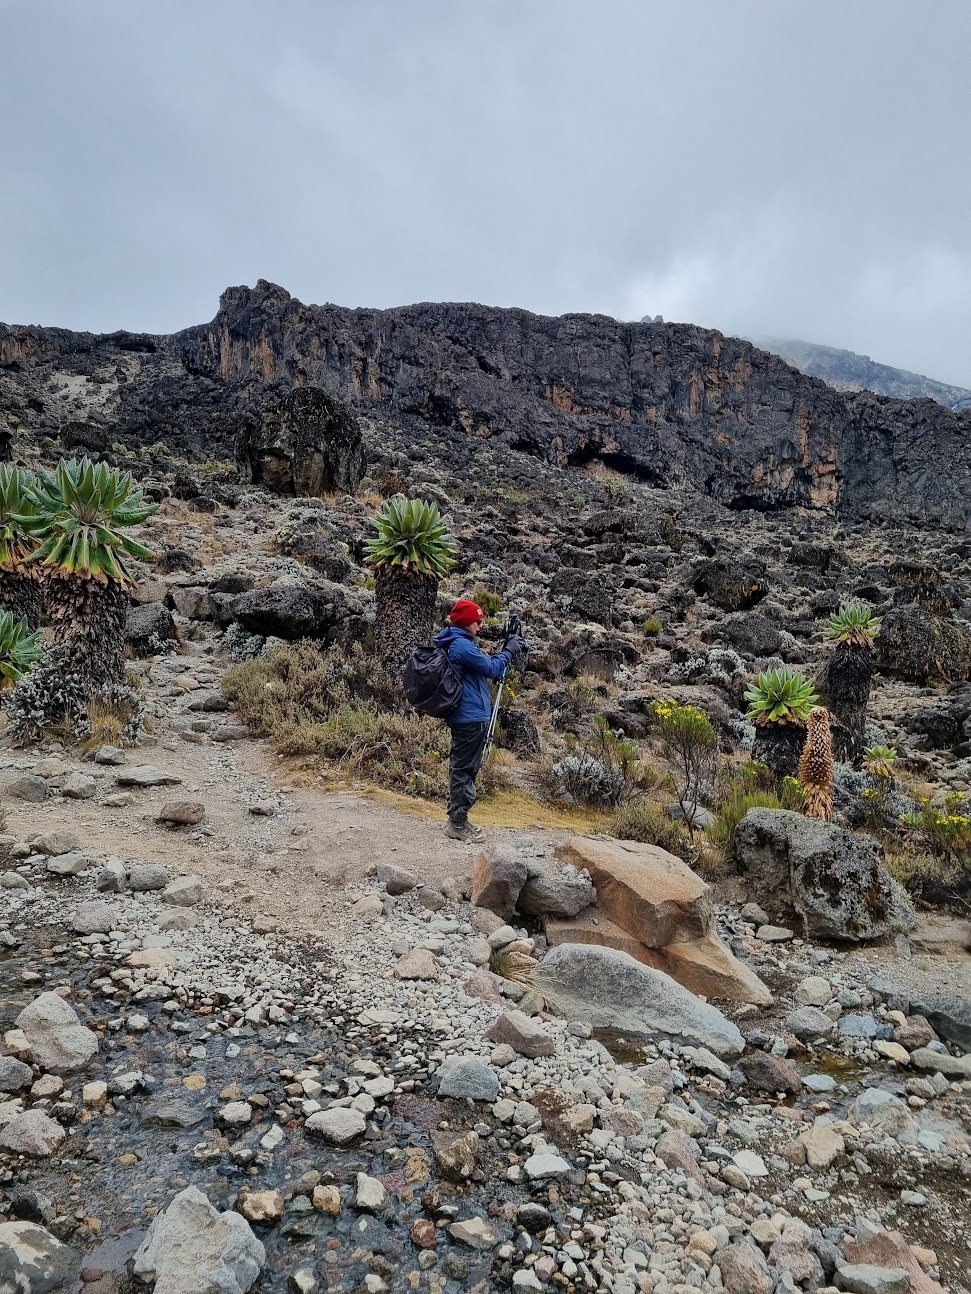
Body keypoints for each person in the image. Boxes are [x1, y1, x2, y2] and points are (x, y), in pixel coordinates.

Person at [434, 599, 525, 842]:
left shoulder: (459, 644)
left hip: (467, 715)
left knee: (463, 766)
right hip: (470, 717)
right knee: (465, 768)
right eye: (478, 621)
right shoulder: (462, 646)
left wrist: (504, 651)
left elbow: (484, 666)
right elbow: (492, 669)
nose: (480, 625)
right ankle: (458, 823)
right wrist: (510, 650)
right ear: (466, 622)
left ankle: (458, 818)